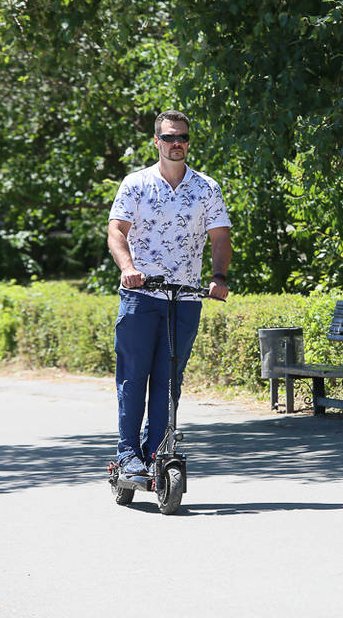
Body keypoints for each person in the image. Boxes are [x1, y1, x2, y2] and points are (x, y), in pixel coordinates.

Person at [107, 110, 231, 477]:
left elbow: (220, 236)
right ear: (157, 142)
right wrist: (128, 269)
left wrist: (219, 276)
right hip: (141, 296)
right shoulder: (136, 184)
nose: (177, 144)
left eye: (183, 138)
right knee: (134, 376)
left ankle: (157, 451)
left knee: (168, 380)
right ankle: (128, 454)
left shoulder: (206, 187)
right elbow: (117, 231)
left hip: (186, 297)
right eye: (170, 137)